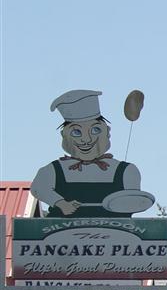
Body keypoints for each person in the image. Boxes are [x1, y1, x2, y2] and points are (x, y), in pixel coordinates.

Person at [30, 89, 154, 217]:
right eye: (76, 132)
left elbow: (133, 203)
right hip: (60, 230)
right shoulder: (54, 170)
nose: (86, 139)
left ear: (107, 131)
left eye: (95, 130)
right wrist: (61, 203)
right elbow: (38, 188)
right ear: (64, 135)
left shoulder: (127, 171)